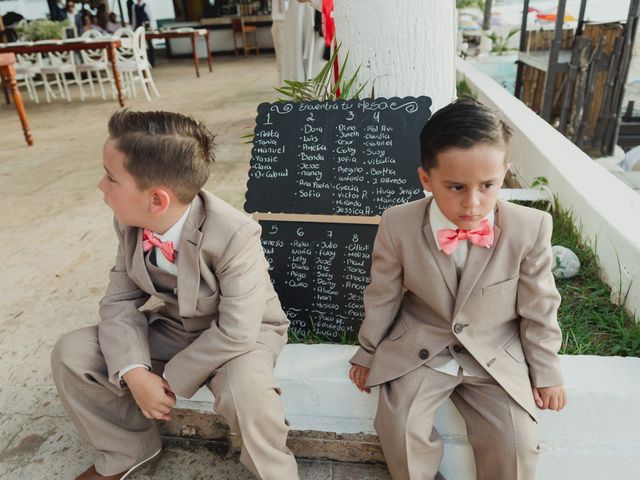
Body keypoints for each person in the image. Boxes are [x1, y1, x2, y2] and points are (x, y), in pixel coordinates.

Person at [51, 110, 299, 480]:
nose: (101, 186)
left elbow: (236, 330)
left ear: (157, 200)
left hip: (242, 336)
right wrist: (135, 372)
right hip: (175, 327)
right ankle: (129, 452)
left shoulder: (235, 234)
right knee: (72, 352)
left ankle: (275, 473)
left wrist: (164, 383)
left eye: (111, 177)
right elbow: (119, 301)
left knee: (248, 392)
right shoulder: (130, 223)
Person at [348, 98, 567, 480]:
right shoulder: (398, 225)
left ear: (505, 174)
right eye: (455, 187)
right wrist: (367, 352)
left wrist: (547, 371)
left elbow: (539, 308)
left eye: (488, 185)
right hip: (422, 346)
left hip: (493, 353)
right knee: (398, 428)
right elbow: (382, 294)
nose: (473, 202)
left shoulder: (530, 228)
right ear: (426, 180)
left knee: (516, 443)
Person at [130, 0, 156, 66]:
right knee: (139, 46)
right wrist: (133, 28)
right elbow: (134, 18)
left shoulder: (146, 5)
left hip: (146, 28)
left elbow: (151, 18)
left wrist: (152, 28)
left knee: (150, 44)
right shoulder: (134, 6)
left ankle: (152, 62)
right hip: (138, 28)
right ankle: (142, 61)